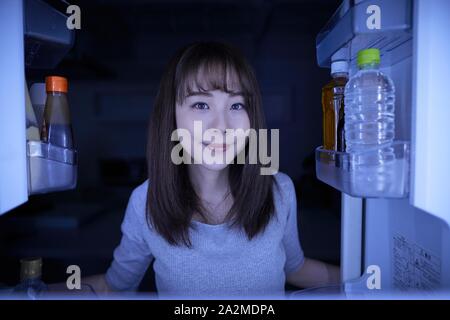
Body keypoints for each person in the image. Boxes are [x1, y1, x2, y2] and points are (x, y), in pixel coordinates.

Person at [84, 41, 340, 298]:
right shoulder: (145, 201)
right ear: (171, 116)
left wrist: (372, 278)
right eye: (201, 105)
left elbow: (294, 268)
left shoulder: (279, 189)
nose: (222, 125)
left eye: (237, 105)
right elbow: (115, 285)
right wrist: (44, 291)